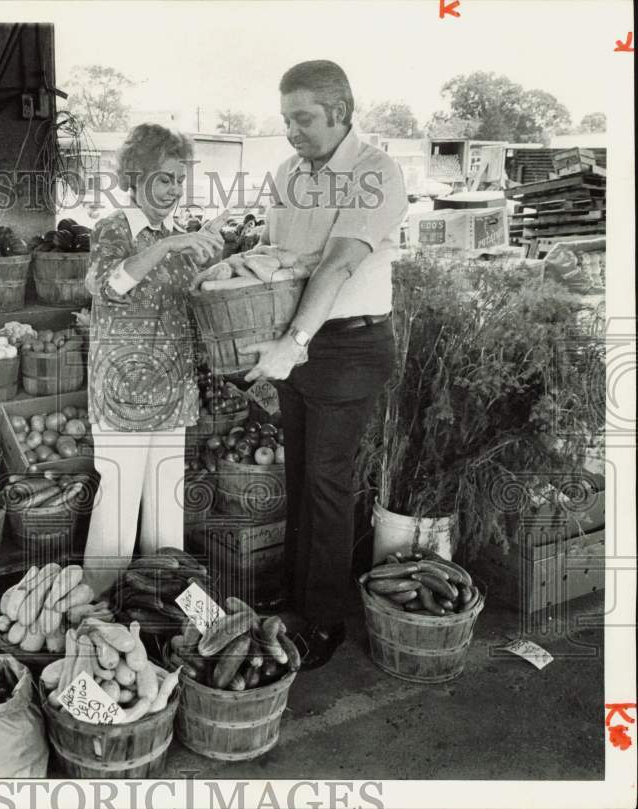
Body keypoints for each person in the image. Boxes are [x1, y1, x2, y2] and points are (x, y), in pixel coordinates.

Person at [234, 60, 407, 669]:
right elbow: (279, 254)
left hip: (349, 346)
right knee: (303, 472)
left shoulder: (375, 172)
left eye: (303, 118)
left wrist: (294, 341)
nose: (291, 131)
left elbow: (335, 264)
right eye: (285, 119)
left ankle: (325, 622)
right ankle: (297, 593)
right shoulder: (285, 174)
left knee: (329, 481)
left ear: (342, 110)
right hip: (298, 343)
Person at [81, 123, 225, 598]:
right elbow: (106, 286)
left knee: (167, 513)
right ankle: (99, 612)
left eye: (180, 181)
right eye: (164, 178)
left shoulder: (179, 237)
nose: (174, 190)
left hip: (173, 391)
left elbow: (197, 298)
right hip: (123, 394)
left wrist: (220, 261)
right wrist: (167, 245)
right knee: (117, 515)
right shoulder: (114, 229)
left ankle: (161, 610)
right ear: (137, 176)